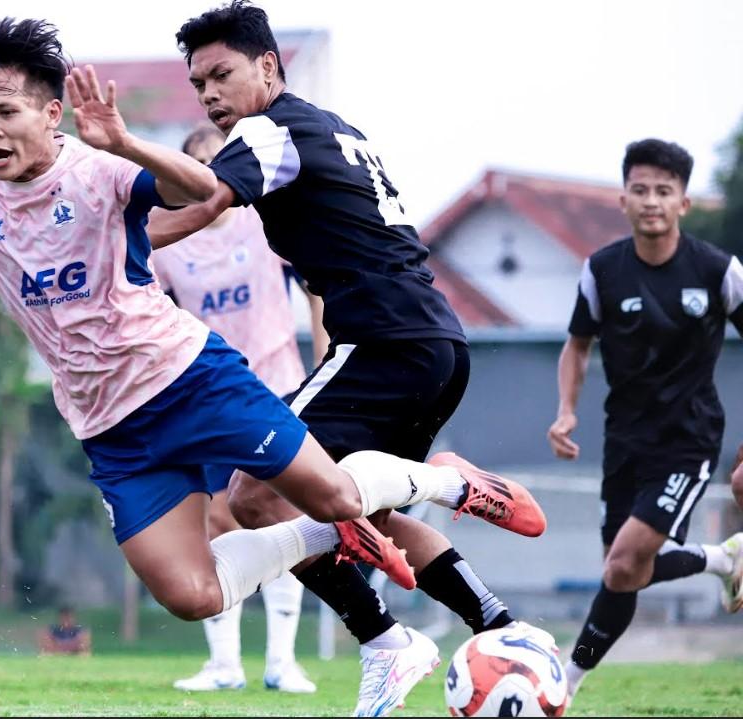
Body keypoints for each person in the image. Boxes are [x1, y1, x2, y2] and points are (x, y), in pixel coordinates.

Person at [0, 17, 528, 643]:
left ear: (51, 113)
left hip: (192, 380)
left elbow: (200, 192)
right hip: (109, 426)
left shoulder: (104, 171)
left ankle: (433, 513)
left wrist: (125, 142)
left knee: (327, 497)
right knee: (194, 595)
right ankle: (437, 618)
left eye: (6, 111)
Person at [153, 3, 549, 715]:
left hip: (386, 344)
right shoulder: (336, 131)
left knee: (252, 496)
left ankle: (392, 612)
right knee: (357, 512)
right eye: (197, 83)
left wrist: (113, 235)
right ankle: (502, 625)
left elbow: (206, 194)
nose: (209, 94)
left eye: (221, 74)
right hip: (432, 343)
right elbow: (333, 251)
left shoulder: (268, 128)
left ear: (268, 66)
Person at [546, 138, 743, 704]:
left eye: (664, 190)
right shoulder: (603, 270)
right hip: (624, 439)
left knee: (624, 563)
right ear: (623, 199)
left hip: (690, 439)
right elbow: (577, 346)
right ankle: (723, 558)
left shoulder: (717, 270)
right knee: (625, 571)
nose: (651, 200)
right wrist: (565, 411)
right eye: (640, 190)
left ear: (683, 203)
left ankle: (565, 683)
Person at [155, 125, 320, 694]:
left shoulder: (261, 221)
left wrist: (324, 360)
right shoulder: (169, 242)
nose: (203, 172)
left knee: (281, 514)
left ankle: (282, 661)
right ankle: (225, 664)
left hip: (276, 385)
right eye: (192, 163)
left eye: (213, 161)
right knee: (215, 519)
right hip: (206, 395)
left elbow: (315, 286)